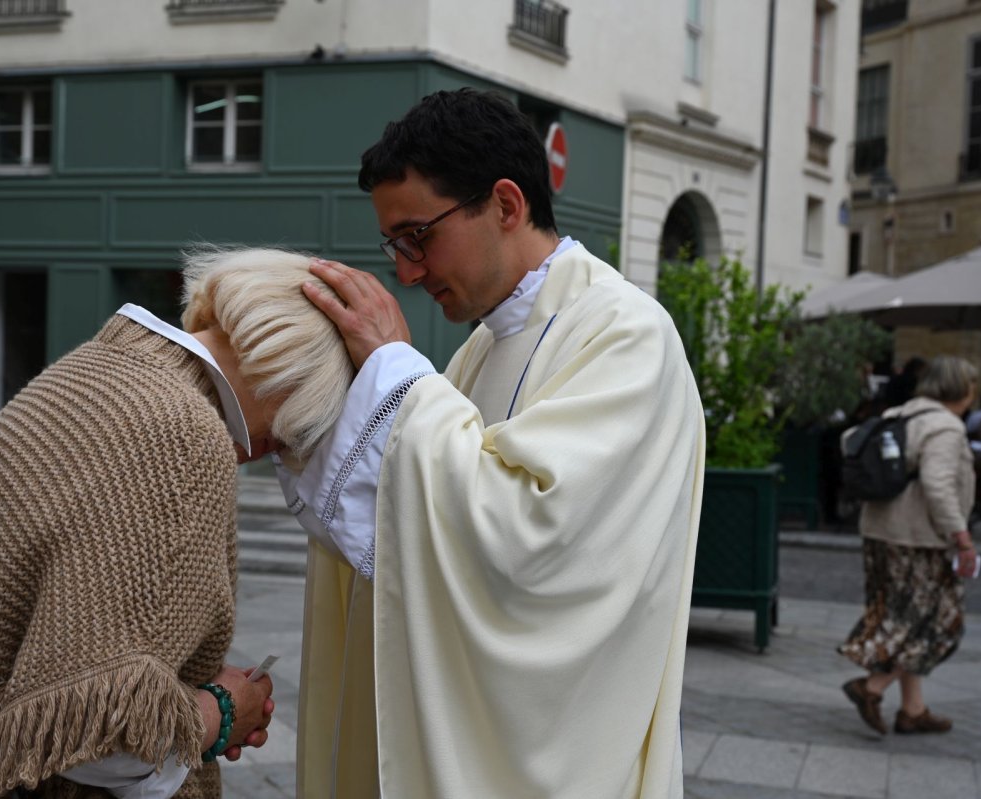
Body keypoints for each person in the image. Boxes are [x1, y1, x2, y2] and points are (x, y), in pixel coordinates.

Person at [0, 248, 355, 799]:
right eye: (302, 426)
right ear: (292, 374)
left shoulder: (93, 370)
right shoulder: (182, 432)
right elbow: (102, 741)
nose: (282, 447)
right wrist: (223, 710)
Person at [280, 88, 706, 797]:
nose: (406, 271)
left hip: (565, 751)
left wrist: (395, 372)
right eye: (395, 245)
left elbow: (532, 539)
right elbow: (408, 514)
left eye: (419, 237)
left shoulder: (628, 336)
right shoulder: (478, 349)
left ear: (505, 205)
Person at [839, 355, 981, 735]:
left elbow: (848, 441)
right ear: (962, 389)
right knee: (939, 624)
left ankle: (913, 710)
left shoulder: (898, 414)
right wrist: (961, 537)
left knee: (901, 618)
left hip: (879, 532)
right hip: (919, 538)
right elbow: (937, 485)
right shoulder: (945, 428)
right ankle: (870, 687)